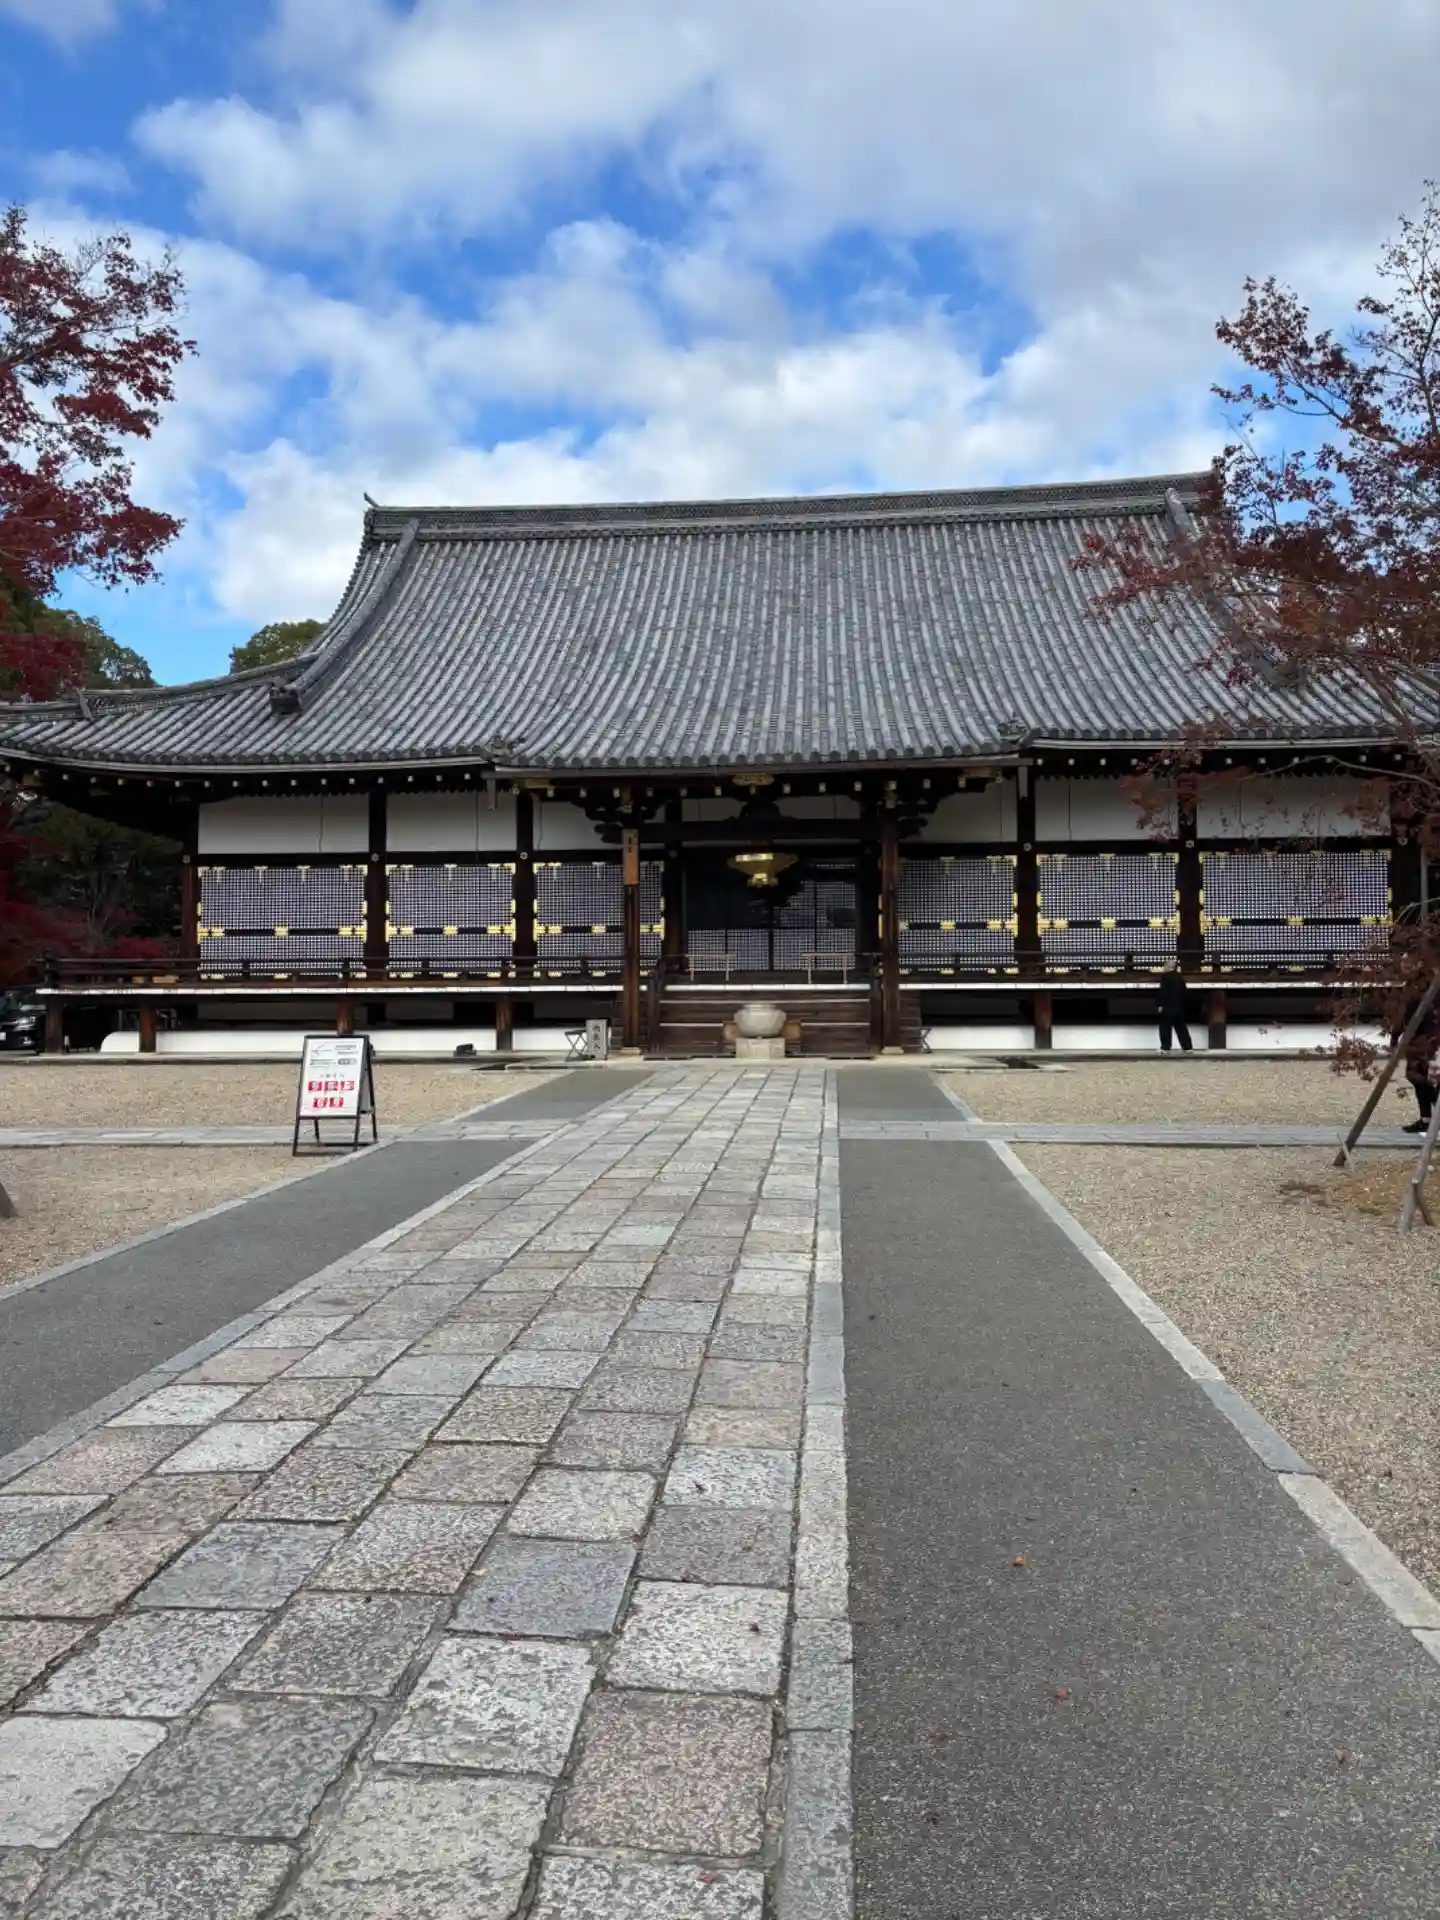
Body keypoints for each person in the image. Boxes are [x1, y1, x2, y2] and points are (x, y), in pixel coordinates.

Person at [1393, 993, 1438, 1135]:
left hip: (1425, 1044)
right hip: (1422, 1043)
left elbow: (1402, 1021)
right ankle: (1427, 1119)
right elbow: (1401, 1022)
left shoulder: (1419, 999)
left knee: (1422, 1080)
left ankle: (1429, 1117)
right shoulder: (1413, 1001)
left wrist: (1395, 1039)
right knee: (1421, 1081)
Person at [1158, 964, 1193, 1054]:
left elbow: (1163, 992)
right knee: (1181, 1028)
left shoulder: (1165, 977)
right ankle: (1188, 1047)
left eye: (1165, 966)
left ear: (1169, 967)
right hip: (1179, 1006)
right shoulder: (1180, 978)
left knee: (1165, 1027)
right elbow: (1185, 992)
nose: (1163, 968)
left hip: (1168, 1006)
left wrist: (1160, 1004)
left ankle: (1165, 1048)